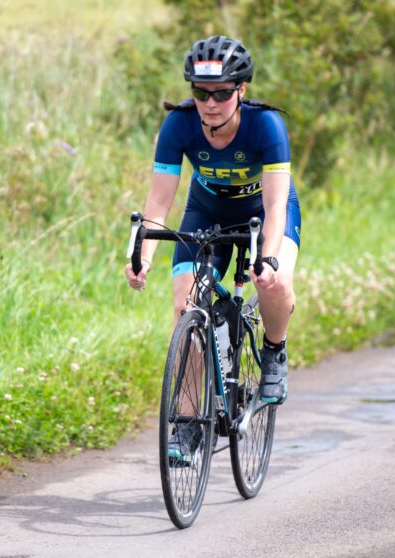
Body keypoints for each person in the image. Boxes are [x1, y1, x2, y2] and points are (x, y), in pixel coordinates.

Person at [125, 35, 301, 458]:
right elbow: (158, 202)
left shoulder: (266, 125)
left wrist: (269, 257)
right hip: (206, 211)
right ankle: (188, 425)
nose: (211, 103)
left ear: (241, 90)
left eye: (222, 93)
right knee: (185, 307)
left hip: (264, 213)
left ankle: (274, 352)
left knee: (272, 283)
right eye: (201, 93)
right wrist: (141, 257)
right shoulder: (179, 125)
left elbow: (277, 203)